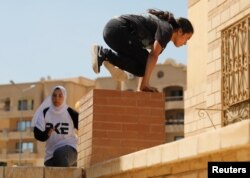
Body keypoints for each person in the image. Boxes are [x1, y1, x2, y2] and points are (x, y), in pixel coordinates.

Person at [91, 9, 194, 92]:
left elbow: (148, 62)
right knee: (144, 65)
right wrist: (145, 84)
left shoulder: (163, 35)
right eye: (187, 38)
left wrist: (141, 88)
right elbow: (153, 56)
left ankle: (108, 57)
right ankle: (105, 54)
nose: (185, 43)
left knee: (142, 68)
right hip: (118, 29)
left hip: (112, 32)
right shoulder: (167, 29)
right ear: (180, 31)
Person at [33, 85, 79, 167]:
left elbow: (84, 126)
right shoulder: (45, 112)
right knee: (52, 163)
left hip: (69, 149)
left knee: (59, 154)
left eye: (60, 96)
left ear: (64, 97)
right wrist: (47, 133)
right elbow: (37, 134)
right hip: (50, 155)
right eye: (54, 95)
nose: (57, 98)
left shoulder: (71, 113)